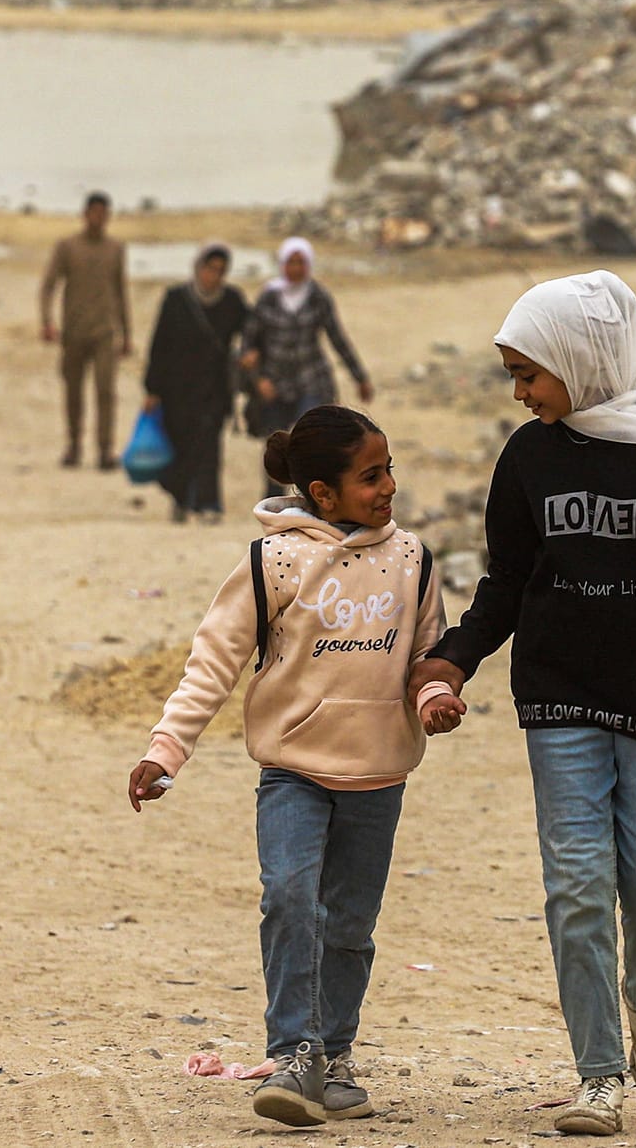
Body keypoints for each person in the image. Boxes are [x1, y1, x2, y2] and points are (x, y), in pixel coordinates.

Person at [408, 271, 636, 1137]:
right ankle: (598, 1075)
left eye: (529, 374)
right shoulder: (527, 459)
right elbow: (508, 583)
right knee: (576, 889)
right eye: (513, 376)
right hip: (559, 699)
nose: (520, 393)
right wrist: (454, 659)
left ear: (580, 357)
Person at [128, 407, 460, 1128]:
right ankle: (294, 1054)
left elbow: (428, 654)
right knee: (288, 899)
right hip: (293, 771)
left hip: (378, 776)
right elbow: (213, 662)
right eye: (370, 476)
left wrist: (434, 695)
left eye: (389, 470)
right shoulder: (273, 561)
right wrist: (166, 748)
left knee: (351, 925)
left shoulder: (413, 560)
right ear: (322, 492)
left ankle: (334, 1056)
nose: (388, 487)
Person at [242, 238, 372, 497]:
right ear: (282, 264)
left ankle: (310, 498)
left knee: (310, 442)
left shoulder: (318, 297)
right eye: (291, 262)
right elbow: (248, 343)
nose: (296, 268)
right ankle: (273, 500)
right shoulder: (269, 298)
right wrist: (259, 380)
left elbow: (337, 338)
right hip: (274, 383)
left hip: (311, 380)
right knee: (275, 445)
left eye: (301, 262)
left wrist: (360, 377)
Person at [139, 243, 249, 522]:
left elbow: (252, 331)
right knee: (181, 444)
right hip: (176, 388)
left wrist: (249, 356)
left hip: (214, 387)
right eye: (210, 268)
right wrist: (152, 389)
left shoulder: (232, 301)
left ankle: (209, 503)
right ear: (198, 268)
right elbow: (159, 345)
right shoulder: (176, 299)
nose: (214, 275)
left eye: (220, 270)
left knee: (210, 446)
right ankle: (181, 500)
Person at [40, 192, 131, 469]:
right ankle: (73, 446)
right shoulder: (67, 247)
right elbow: (49, 285)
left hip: (105, 333)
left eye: (103, 214)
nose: (98, 218)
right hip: (74, 332)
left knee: (106, 392)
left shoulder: (115, 249)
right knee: (73, 392)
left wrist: (127, 334)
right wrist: (47, 321)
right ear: (85, 214)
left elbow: (121, 292)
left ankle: (105, 450)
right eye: (94, 213)